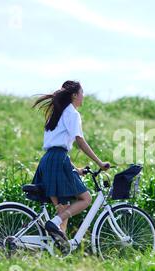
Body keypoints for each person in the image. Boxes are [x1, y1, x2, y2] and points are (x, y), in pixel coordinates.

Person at [31, 80, 110, 242]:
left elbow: (56, 148)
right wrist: (99, 163)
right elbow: (79, 141)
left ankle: (59, 250)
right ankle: (54, 222)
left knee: (63, 210)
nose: (83, 97)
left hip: (48, 160)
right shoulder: (72, 113)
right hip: (58, 161)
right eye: (82, 93)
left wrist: (75, 168)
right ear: (74, 95)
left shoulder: (56, 113)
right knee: (86, 199)